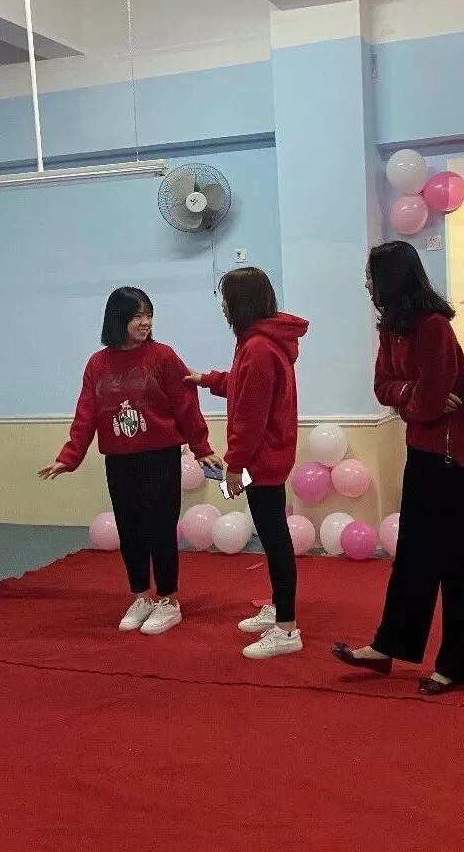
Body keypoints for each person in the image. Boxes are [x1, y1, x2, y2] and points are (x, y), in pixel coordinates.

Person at [332, 241, 464, 694]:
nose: (367, 286)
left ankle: (458, 665)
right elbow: (384, 387)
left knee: (455, 567)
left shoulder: (434, 326)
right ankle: (387, 647)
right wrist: (411, 395)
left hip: (455, 461)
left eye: (371, 277)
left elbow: (434, 400)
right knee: (412, 559)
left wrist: (417, 399)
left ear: (391, 279)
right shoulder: (392, 329)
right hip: (422, 454)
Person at [39, 287, 221, 635]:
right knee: (130, 529)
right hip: (119, 460)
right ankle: (141, 596)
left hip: (160, 457)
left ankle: (168, 600)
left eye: (148, 315)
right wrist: (69, 457)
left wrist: (201, 447)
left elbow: (186, 405)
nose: (145, 322)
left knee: (160, 528)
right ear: (118, 319)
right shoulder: (98, 364)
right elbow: (86, 414)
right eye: (137, 316)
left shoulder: (163, 356)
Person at [187, 267, 309, 660]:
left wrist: (235, 465)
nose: (223, 307)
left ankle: (287, 628)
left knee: (275, 540)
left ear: (241, 303)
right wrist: (206, 379)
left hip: (263, 459)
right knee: (273, 538)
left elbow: (250, 416)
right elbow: (242, 386)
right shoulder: (259, 341)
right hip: (267, 455)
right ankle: (279, 608)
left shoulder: (258, 346)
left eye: (226, 300)